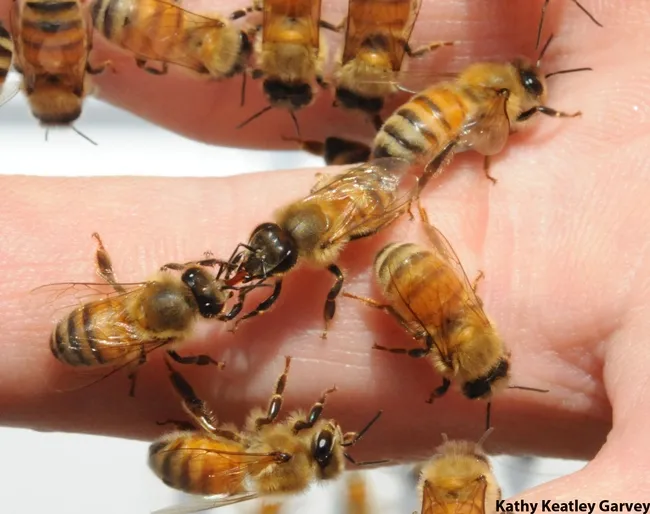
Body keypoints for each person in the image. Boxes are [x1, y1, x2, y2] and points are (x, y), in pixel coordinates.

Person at [0, 0, 640, 506]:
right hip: (379, 195)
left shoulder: (325, 236)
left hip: (379, 195)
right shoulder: (305, 240)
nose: (236, 270)